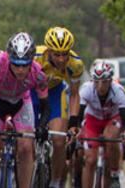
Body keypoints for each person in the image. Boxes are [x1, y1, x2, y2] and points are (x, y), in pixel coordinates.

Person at [0, 32, 49, 188]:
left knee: (26, 148)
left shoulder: (38, 74)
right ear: (9, 59)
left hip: (21, 104)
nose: (20, 69)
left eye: (25, 65)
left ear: (31, 61)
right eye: (16, 64)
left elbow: (45, 105)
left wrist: (42, 126)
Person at [32, 26, 85, 188]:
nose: (62, 59)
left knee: (59, 140)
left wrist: (74, 123)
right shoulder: (35, 56)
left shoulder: (75, 64)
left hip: (55, 94)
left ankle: (55, 182)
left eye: (65, 54)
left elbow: (75, 95)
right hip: (33, 92)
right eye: (57, 54)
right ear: (48, 51)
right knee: (25, 140)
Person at [75, 61, 125, 188]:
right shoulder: (86, 89)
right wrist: (77, 129)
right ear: (92, 81)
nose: (100, 86)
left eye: (104, 82)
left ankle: (114, 174)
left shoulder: (119, 91)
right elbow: (79, 113)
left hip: (112, 119)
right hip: (93, 120)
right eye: (97, 82)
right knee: (90, 160)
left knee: (110, 138)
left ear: (111, 81)